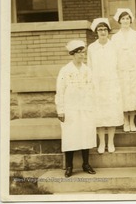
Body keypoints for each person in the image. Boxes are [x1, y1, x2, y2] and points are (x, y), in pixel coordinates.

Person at [55, 40, 96, 178]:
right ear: (72, 54)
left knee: (86, 134)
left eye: (83, 52)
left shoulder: (87, 70)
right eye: (78, 52)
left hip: (85, 108)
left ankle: (86, 164)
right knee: (70, 136)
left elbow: (92, 89)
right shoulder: (65, 70)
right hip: (70, 108)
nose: (81, 55)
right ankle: (69, 166)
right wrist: (60, 110)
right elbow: (60, 91)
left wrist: (92, 107)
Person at [88, 18, 124, 154]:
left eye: (104, 29)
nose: (102, 32)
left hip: (111, 83)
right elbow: (90, 67)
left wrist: (117, 83)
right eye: (99, 29)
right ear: (96, 32)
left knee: (111, 113)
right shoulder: (92, 48)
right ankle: (102, 142)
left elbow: (119, 65)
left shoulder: (114, 46)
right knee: (99, 114)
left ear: (108, 32)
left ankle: (111, 142)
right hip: (97, 84)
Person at [111, 8, 136, 132]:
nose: (125, 21)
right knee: (124, 95)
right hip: (121, 71)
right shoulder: (115, 38)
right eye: (123, 19)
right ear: (119, 21)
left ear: (130, 20)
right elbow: (113, 55)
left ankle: (132, 121)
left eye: (127, 18)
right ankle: (125, 121)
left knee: (133, 95)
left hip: (134, 70)